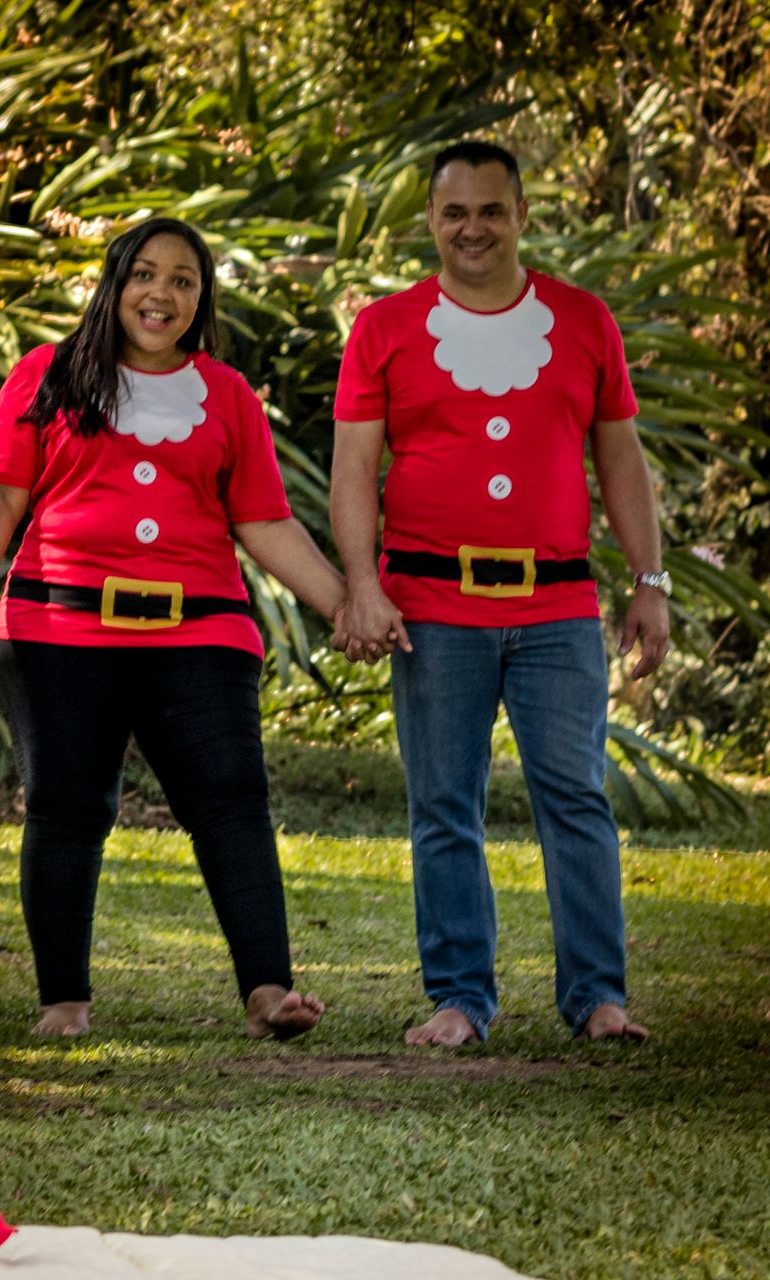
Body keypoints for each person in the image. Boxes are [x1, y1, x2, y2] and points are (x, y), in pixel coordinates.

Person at [0, 217, 347, 1039]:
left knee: (232, 803)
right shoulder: (46, 376)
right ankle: (63, 1002)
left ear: (201, 300)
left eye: (183, 281)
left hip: (200, 634)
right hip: (58, 630)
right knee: (65, 807)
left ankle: (270, 994)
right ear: (114, 282)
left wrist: (346, 603)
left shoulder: (228, 395)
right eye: (145, 275)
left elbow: (265, 522)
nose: (161, 294)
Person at [330, 140, 666, 1049]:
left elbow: (621, 458)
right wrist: (362, 584)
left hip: (558, 606)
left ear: (521, 215)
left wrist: (650, 582)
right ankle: (459, 999)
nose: (472, 228)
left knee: (576, 797)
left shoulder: (585, 320)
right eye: (454, 213)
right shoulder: (385, 328)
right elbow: (355, 468)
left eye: (490, 210)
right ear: (431, 222)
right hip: (433, 604)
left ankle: (598, 997)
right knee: (445, 803)